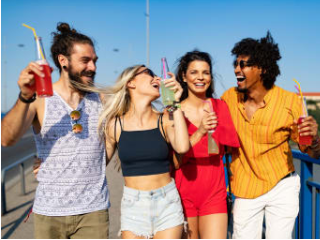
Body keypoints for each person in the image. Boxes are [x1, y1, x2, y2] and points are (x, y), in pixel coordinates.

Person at [1, 23, 110, 239]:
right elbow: (6, 139)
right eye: (85, 61)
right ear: (63, 61)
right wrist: (24, 96)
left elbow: (119, 135)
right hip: (49, 212)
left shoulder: (102, 99)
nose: (93, 67)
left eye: (94, 61)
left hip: (93, 211)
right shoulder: (40, 99)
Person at [221, 31, 320, 239]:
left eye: (243, 64)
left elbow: (311, 152)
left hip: (282, 185)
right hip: (245, 188)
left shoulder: (289, 102)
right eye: (236, 64)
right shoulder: (229, 99)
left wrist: (315, 138)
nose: (236, 69)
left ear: (263, 69)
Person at [93, 64, 190, 239]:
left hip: (166, 201)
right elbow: (97, 164)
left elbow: (182, 147)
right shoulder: (115, 125)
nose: (157, 78)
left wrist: (176, 102)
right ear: (130, 83)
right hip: (133, 206)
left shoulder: (165, 120)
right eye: (148, 73)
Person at [173, 51, 240, 239]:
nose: (201, 77)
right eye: (194, 72)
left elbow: (233, 148)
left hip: (214, 190)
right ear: (183, 77)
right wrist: (200, 131)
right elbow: (172, 162)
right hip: (182, 190)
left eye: (206, 72)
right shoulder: (174, 112)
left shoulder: (220, 107)